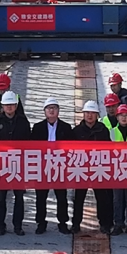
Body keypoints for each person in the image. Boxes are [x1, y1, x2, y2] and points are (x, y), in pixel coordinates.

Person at [32, 97, 78, 234]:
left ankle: (62, 222)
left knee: (61, 196)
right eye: (49, 108)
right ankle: (41, 222)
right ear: (44, 111)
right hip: (43, 166)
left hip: (60, 166)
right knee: (41, 196)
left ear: (58, 111)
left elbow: (71, 148)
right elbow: (32, 148)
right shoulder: (38, 128)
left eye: (54, 108)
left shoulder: (66, 128)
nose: (51, 110)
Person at [0, 90, 31, 234]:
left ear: (16, 105)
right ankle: (1, 225)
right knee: (1, 198)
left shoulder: (23, 122)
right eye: (7, 105)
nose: (9, 107)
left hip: (18, 165)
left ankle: (18, 226)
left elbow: (29, 143)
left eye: (12, 104)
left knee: (19, 197)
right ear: (2, 106)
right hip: (2, 165)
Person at [74, 100, 112, 233]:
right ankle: (76, 223)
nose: (90, 115)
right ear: (83, 114)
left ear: (97, 115)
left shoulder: (103, 130)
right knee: (79, 198)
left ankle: (104, 223)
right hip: (81, 169)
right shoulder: (77, 131)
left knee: (102, 198)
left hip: (98, 168)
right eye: (87, 112)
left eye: (93, 113)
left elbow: (108, 149)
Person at [108, 104, 127, 235]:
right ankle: (118, 224)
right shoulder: (112, 132)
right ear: (117, 117)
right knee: (117, 199)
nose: (124, 118)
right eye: (121, 115)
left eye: (126, 115)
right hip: (117, 170)